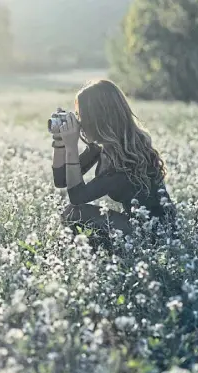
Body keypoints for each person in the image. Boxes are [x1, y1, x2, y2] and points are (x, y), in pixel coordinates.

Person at [51, 79, 176, 249]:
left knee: (73, 213)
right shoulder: (106, 147)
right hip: (138, 226)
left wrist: (72, 146)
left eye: (82, 116)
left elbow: (77, 197)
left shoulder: (123, 159)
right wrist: (60, 143)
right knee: (74, 216)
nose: (79, 123)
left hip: (156, 234)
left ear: (99, 118)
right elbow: (61, 181)